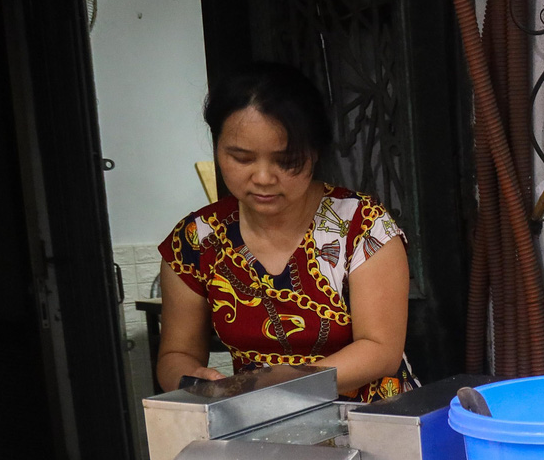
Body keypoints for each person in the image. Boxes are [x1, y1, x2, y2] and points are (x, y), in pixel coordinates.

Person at [157, 62, 412, 401]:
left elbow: (381, 349)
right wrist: (192, 382)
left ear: (314, 151)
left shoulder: (361, 226)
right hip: (256, 422)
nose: (263, 177)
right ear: (217, 146)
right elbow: (176, 354)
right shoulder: (196, 239)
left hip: (367, 418)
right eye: (242, 158)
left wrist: (278, 387)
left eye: (286, 160)